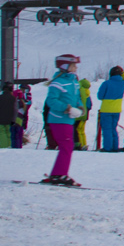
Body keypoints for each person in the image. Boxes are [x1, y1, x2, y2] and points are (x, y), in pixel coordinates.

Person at [41, 54, 84, 185]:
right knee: (67, 146)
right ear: (65, 66)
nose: (76, 67)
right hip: (59, 119)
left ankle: (58, 174)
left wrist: (80, 107)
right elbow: (51, 101)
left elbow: (76, 97)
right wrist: (68, 108)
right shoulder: (57, 83)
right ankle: (59, 174)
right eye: (73, 65)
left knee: (67, 146)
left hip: (68, 119)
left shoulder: (74, 81)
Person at [97, 66, 124, 152]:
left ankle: (107, 147)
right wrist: (123, 73)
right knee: (113, 128)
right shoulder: (123, 83)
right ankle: (115, 147)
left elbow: (100, 96)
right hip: (117, 110)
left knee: (107, 129)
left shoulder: (106, 83)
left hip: (106, 109)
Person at [75, 74, 93, 151]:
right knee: (82, 130)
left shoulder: (80, 91)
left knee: (77, 129)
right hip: (86, 115)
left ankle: (80, 144)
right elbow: (90, 105)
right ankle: (84, 144)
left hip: (80, 114)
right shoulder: (87, 93)